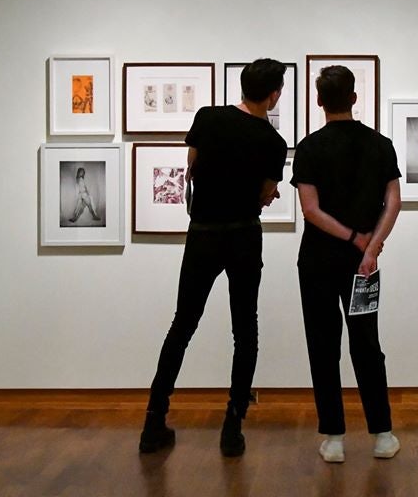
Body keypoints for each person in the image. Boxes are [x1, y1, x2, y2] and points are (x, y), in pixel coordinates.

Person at [139, 59, 289, 457]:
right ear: (274, 94)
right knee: (246, 331)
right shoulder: (273, 142)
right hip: (242, 236)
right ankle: (232, 426)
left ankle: (154, 419)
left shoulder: (207, 117)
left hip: (203, 234)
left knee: (182, 324)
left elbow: (192, 168)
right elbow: (264, 193)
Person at [291, 65, 402, 463]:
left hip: (318, 261)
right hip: (363, 265)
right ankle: (383, 435)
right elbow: (394, 202)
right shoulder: (381, 145)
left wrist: (356, 240)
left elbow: (311, 210)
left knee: (323, 345)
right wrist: (370, 247)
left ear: (319, 101)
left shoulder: (308, 148)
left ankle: (334, 438)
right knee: (367, 344)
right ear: (354, 98)